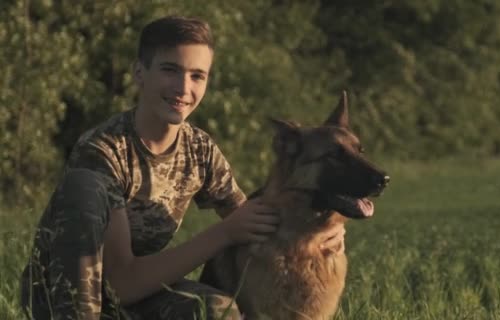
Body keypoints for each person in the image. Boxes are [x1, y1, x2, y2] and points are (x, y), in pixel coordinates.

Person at [20, 15, 345, 320]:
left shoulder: (199, 149)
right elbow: (120, 285)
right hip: (67, 298)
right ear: (139, 74)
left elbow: (255, 220)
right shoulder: (103, 151)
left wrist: (320, 234)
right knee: (84, 185)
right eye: (169, 70)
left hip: (138, 292)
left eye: (197, 76)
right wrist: (224, 233)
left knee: (216, 311)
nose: (183, 88)